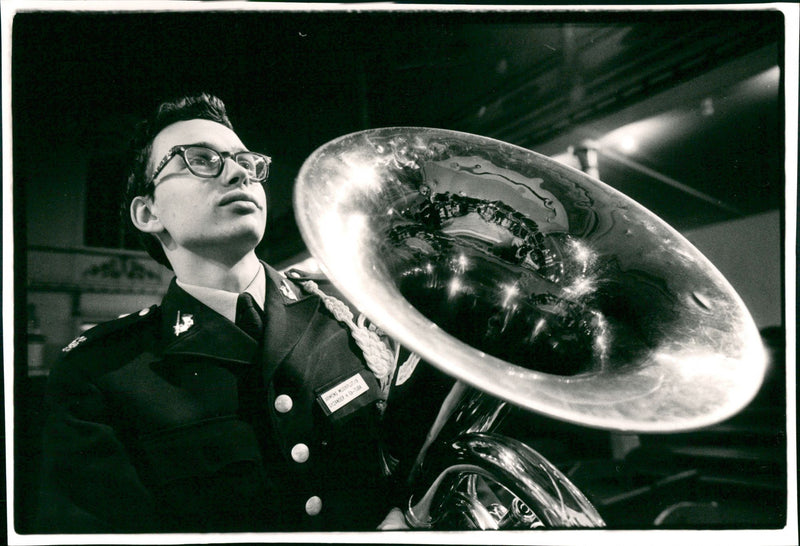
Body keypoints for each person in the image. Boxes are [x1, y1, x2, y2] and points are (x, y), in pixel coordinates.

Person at [37, 93, 408, 533]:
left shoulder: (344, 316)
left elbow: (408, 458)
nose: (238, 173)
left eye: (247, 162)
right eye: (200, 159)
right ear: (148, 212)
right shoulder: (98, 372)